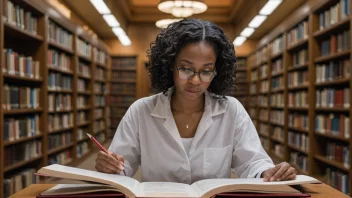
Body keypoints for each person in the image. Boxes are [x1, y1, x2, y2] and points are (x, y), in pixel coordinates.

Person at [95, 18, 296, 183]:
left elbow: (252, 162)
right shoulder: (141, 111)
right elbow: (122, 167)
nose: (195, 80)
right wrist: (111, 166)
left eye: (206, 71)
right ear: (170, 66)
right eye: (186, 68)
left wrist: (268, 172)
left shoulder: (231, 110)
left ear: (217, 72)